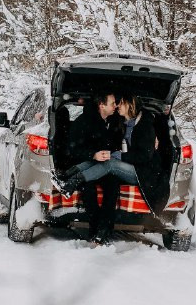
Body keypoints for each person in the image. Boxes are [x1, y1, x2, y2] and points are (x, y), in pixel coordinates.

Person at [60, 93, 170, 242]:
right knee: (103, 158)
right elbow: (96, 118)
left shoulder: (144, 125)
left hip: (143, 173)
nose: (117, 106)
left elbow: (144, 156)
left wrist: (119, 155)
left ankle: (74, 180)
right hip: (131, 166)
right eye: (115, 103)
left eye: (121, 103)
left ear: (130, 105)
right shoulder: (124, 123)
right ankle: (68, 175)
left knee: (109, 162)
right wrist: (105, 153)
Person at [61, 93, 124, 244]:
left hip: (106, 168)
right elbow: (72, 150)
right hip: (85, 164)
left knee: (113, 186)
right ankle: (94, 228)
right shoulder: (83, 122)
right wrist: (93, 155)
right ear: (102, 105)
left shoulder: (115, 122)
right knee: (89, 189)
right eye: (112, 103)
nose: (115, 106)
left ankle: (104, 230)